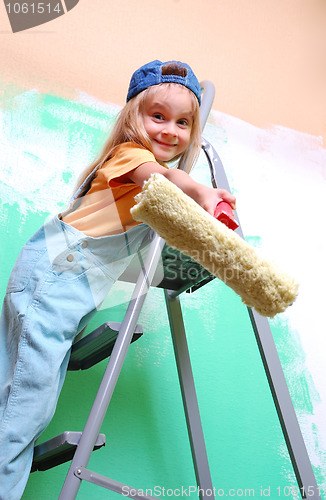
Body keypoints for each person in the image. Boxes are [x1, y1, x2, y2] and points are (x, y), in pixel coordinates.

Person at [0, 59, 236, 499]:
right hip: (54, 279)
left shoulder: (145, 190)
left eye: (183, 122)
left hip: (57, 282)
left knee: (17, 395)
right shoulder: (131, 158)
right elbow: (164, 176)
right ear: (133, 118)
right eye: (158, 116)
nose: (170, 130)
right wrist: (204, 193)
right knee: (25, 410)